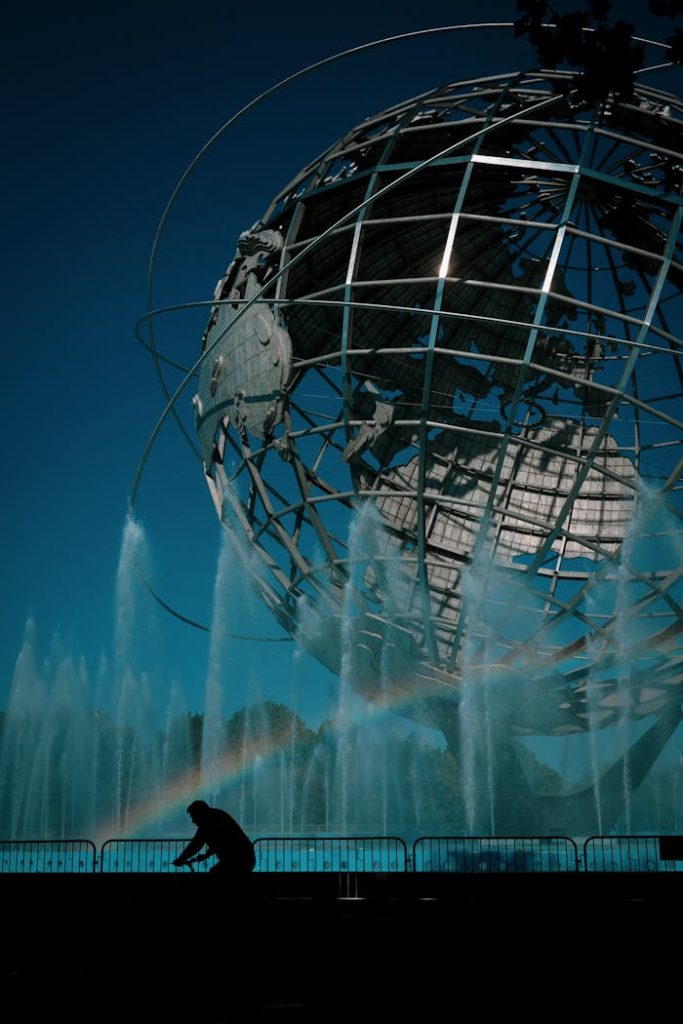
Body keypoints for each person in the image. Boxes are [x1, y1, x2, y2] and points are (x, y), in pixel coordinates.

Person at [173, 800, 255, 876]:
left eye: (193, 816)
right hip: (244, 857)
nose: (193, 821)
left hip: (237, 860)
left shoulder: (207, 823)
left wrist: (181, 859)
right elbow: (221, 841)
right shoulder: (216, 816)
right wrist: (206, 855)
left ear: (200, 813)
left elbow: (195, 844)